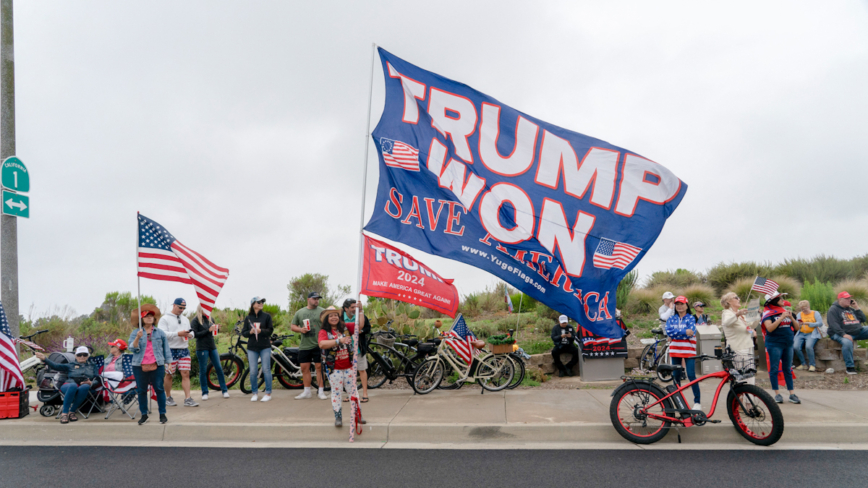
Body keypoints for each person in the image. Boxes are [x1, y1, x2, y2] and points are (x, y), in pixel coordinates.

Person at [127, 303, 172, 425]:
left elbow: (166, 349)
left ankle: (162, 414)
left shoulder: (160, 333)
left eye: (151, 316)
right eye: (146, 316)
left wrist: (169, 363)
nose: (149, 318)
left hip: (157, 365)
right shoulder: (135, 333)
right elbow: (132, 348)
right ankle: (144, 415)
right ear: (141, 319)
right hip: (139, 365)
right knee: (142, 390)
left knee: (159, 389)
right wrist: (137, 338)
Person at [318, 306, 362, 427]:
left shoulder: (346, 327)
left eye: (336, 315)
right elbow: (322, 344)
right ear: (327, 318)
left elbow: (360, 325)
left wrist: (361, 311)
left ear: (339, 317)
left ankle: (358, 414)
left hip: (348, 366)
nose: (334, 317)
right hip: (334, 368)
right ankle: (338, 417)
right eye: (331, 315)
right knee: (336, 393)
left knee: (353, 392)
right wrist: (339, 341)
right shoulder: (324, 332)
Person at [34, 346, 99, 424]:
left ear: (88, 356)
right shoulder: (70, 365)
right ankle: (64, 413)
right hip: (69, 385)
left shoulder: (92, 366)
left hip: (84, 387)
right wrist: (44, 358)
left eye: (84, 355)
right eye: (79, 355)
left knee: (85, 386)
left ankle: (72, 411)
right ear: (75, 356)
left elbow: (98, 378)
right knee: (73, 386)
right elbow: (55, 366)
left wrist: (91, 383)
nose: (82, 357)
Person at [761, 291, 800, 404]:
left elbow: (797, 327)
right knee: (774, 369)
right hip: (774, 344)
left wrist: (791, 318)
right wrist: (781, 318)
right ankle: (777, 394)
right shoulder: (768, 314)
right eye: (780, 299)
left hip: (788, 343)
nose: (783, 301)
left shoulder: (786, 311)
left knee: (787, 368)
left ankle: (792, 394)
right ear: (774, 301)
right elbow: (770, 329)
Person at [158, 298, 198, 407]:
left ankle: (188, 398)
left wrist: (190, 335)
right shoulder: (164, 319)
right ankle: (168, 397)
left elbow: (191, 331)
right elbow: (162, 334)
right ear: (174, 305)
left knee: (186, 373)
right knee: (169, 374)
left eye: (184, 308)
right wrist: (178, 334)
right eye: (180, 307)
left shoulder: (185, 319)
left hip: (184, 349)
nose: (182, 310)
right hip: (170, 350)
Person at [665, 296, 701, 410]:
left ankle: (697, 402)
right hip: (675, 350)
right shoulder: (671, 318)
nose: (679, 306)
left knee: (691, 375)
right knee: (676, 376)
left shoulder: (691, 318)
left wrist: (675, 335)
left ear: (687, 305)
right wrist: (684, 331)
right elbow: (668, 331)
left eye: (682, 304)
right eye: (677, 304)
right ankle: (679, 401)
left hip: (689, 351)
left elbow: (691, 332)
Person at [291, 292, 327, 400]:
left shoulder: (322, 311)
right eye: (314, 298)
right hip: (305, 345)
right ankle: (307, 391)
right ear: (308, 299)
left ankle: (321, 391)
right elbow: (293, 326)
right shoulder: (300, 312)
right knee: (304, 368)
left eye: (318, 299)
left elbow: (330, 324)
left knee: (319, 368)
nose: (316, 300)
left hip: (319, 344)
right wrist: (300, 329)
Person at [191, 305, 229, 400]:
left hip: (212, 346)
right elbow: (195, 335)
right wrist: (208, 330)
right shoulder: (195, 320)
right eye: (205, 308)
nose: (207, 310)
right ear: (201, 309)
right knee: (203, 370)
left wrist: (217, 329)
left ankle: (224, 390)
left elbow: (212, 333)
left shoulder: (210, 318)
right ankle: (205, 392)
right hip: (202, 348)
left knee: (219, 368)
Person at [827, 291, 868, 375]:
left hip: (856, 331)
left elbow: (863, 319)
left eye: (849, 298)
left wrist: (857, 308)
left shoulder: (850, 309)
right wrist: (844, 335)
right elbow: (833, 325)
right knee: (847, 342)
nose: (849, 300)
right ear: (840, 300)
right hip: (839, 333)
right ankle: (850, 367)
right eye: (846, 299)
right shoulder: (833, 310)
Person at [242, 296, 274, 402]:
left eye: (262, 302)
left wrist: (261, 331)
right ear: (253, 304)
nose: (261, 303)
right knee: (253, 371)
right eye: (259, 302)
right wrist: (250, 332)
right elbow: (244, 333)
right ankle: (254, 393)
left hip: (265, 346)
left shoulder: (266, 316)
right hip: (252, 348)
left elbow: (270, 330)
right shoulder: (248, 318)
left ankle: (268, 393)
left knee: (266, 369)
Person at [720, 292, 756, 385]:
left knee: (750, 376)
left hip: (748, 347)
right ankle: (741, 398)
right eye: (736, 297)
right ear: (728, 301)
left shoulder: (741, 314)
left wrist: (756, 315)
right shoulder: (727, 313)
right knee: (741, 378)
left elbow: (750, 326)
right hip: (738, 349)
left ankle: (750, 398)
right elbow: (726, 323)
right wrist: (737, 314)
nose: (739, 299)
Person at [342, 298, 371, 403]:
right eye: (352, 307)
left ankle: (365, 393)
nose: (355, 309)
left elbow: (367, 328)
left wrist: (360, 331)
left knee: (362, 370)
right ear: (346, 308)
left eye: (356, 307)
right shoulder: (340, 318)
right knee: (347, 372)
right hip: (345, 349)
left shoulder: (360, 316)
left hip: (358, 347)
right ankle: (350, 394)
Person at [794, 300, 824, 372]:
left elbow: (820, 323)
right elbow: (796, 323)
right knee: (796, 347)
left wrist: (809, 323)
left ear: (809, 307)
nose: (804, 310)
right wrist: (799, 324)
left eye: (805, 309)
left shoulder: (815, 313)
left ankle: (812, 365)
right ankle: (803, 363)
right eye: (802, 309)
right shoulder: (799, 314)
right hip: (801, 333)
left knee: (808, 347)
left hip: (812, 333)